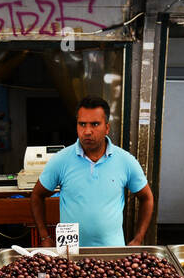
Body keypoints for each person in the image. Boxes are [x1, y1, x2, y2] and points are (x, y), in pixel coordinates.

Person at [30, 95, 154, 248]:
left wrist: (138, 239)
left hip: (112, 255)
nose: (87, 131)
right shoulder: (60, 160)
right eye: (82, 124)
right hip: (70, 255)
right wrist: (44, 237)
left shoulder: (125, 161)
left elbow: (147, 198)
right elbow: (37, 195)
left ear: (107, 128)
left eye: (95, 124)